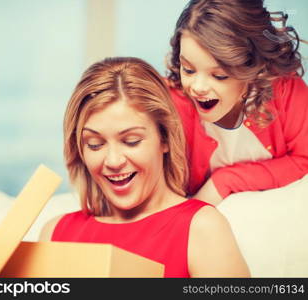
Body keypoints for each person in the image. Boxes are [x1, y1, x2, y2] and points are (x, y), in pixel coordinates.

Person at [39, 57, 250, 277]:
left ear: (164, 138)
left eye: (131, 141)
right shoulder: (54, 233)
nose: (113, 161)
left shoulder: (202, 228)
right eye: (95, 144)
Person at [166, 0, 308, 205]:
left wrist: (225, 181)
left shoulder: (284, 87)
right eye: (188, 69)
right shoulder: (168, 104)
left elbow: (304, 160)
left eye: (219, 76)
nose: (197, 87)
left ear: (254, 69)